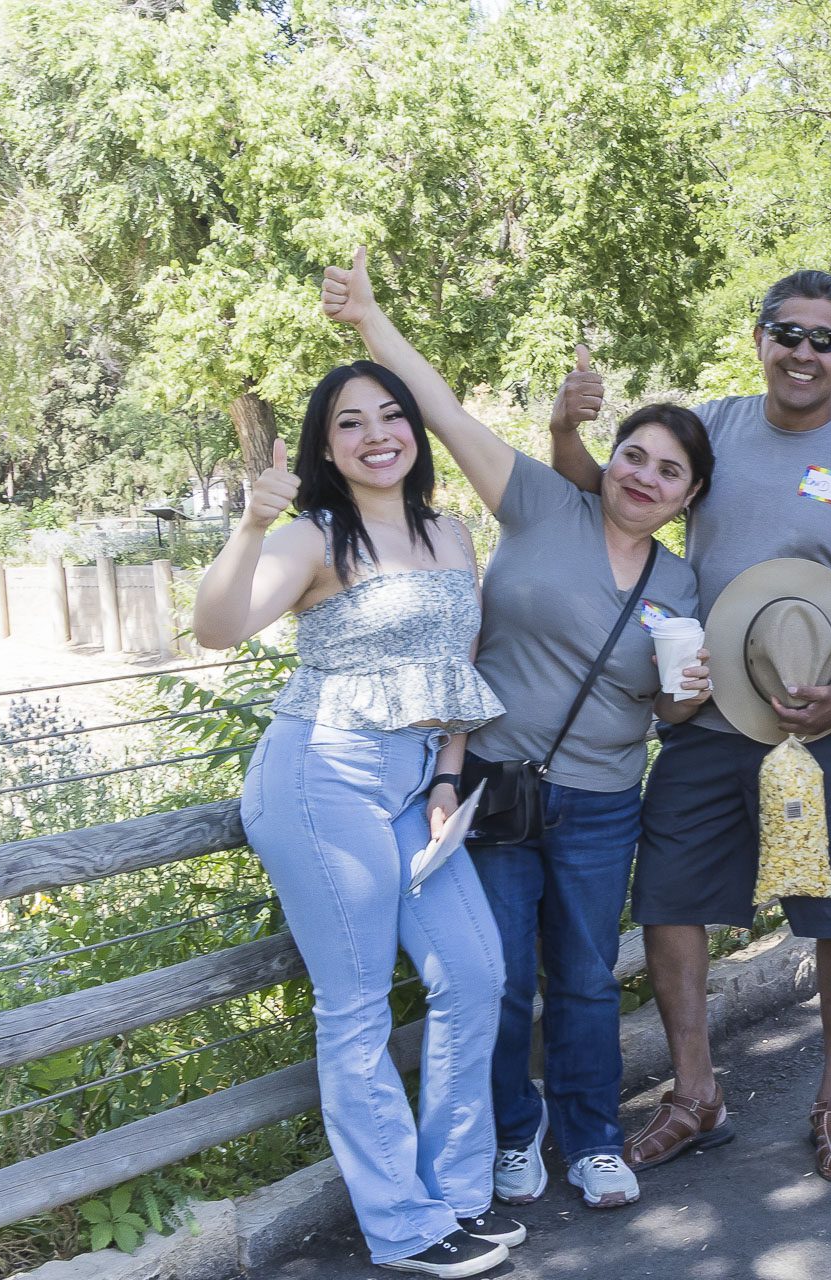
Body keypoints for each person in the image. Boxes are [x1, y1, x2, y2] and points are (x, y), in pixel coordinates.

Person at [320, 250, 713, 1213]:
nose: (644, 476)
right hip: (490, 782)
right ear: (608, 458)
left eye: (669, 471)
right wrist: (371, 319)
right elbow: (442, 412)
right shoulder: (541, 504)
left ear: (689, 497)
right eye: (634, 454)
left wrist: (689, 698)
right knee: (492, 977)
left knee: (582, 976)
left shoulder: (681, 587)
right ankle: (511, 1132)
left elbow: (664, 710)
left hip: (603, 801)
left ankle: (592, 1139)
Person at [548, 269, 831, 1184]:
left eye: (825, 339)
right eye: (788, 333)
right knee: (670, 897)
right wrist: (567, 429)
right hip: (707, 715)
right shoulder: (715, 432)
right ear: (760, 337)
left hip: (827, 724)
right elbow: (611, 497)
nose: (803, 353)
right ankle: (695, 1094)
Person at [193, 364, 519, 1279]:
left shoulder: (451, 531)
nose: (378, 434)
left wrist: (450, 778)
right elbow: (217, 628)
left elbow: (461, 666)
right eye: (350, 423)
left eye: (392, 415)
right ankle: (404, 1227)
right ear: (325, 445)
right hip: (323, 776)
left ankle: (455, 1197)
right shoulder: (311, 535)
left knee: (475, 972)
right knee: (356, 1005)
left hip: (421, 785)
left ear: (414, 431)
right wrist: (251, 526)